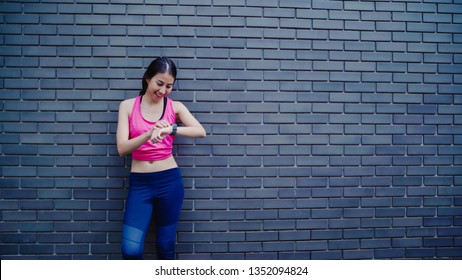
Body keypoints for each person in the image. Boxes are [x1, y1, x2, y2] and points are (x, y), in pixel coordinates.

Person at [116, 57, 206, 259]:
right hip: (140, 184)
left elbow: (200, 131)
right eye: (159, 83)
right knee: (130, 250)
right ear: (147, 78)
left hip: (169, 182)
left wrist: (171, 129)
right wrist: (148, 134)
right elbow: (122, 148)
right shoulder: (128, 106)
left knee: (165, 246)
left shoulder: (175, 107)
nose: (163, 90)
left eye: (169, 86)